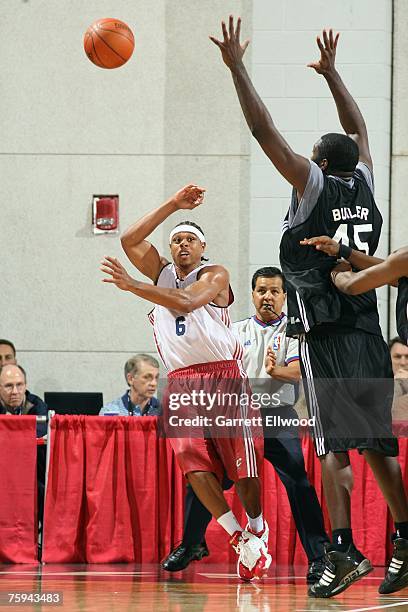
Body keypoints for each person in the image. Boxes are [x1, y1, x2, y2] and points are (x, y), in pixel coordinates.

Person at [211, 17, 408, 597]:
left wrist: (237, 68)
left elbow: (263, 128)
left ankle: (342, 551)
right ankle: (404, 538)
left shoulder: (313, 184)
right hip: (368, 330)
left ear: (319, 161)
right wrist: (333, 75)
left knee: (331, 448)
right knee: (380, 447)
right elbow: (361, 126)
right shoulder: (366, 181)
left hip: (323, 334)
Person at [101, 184, 271, 581]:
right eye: (175, 239)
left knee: (245, 470)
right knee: (192, 466)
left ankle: (258, 525)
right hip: (180, 383)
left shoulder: (214, 273)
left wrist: (134, 286)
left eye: (189, 239)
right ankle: (238, 536)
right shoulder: (160, 273)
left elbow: (187, 302)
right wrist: (173, 205)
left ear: (201, 248)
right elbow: (129, 239)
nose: (181, 244)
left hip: (223, 377)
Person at [162, 267, 329, 583]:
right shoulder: (233, 329)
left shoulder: (295, 334)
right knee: (204, 475)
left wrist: (276, 372)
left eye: (274, 291)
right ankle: (192, 544)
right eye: (262, 290)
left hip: (276, 414)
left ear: (284, 296)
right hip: (235, 413)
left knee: (298, 480)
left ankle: (319, 557)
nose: (267, 296)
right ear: (252, 295)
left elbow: (300, 373)